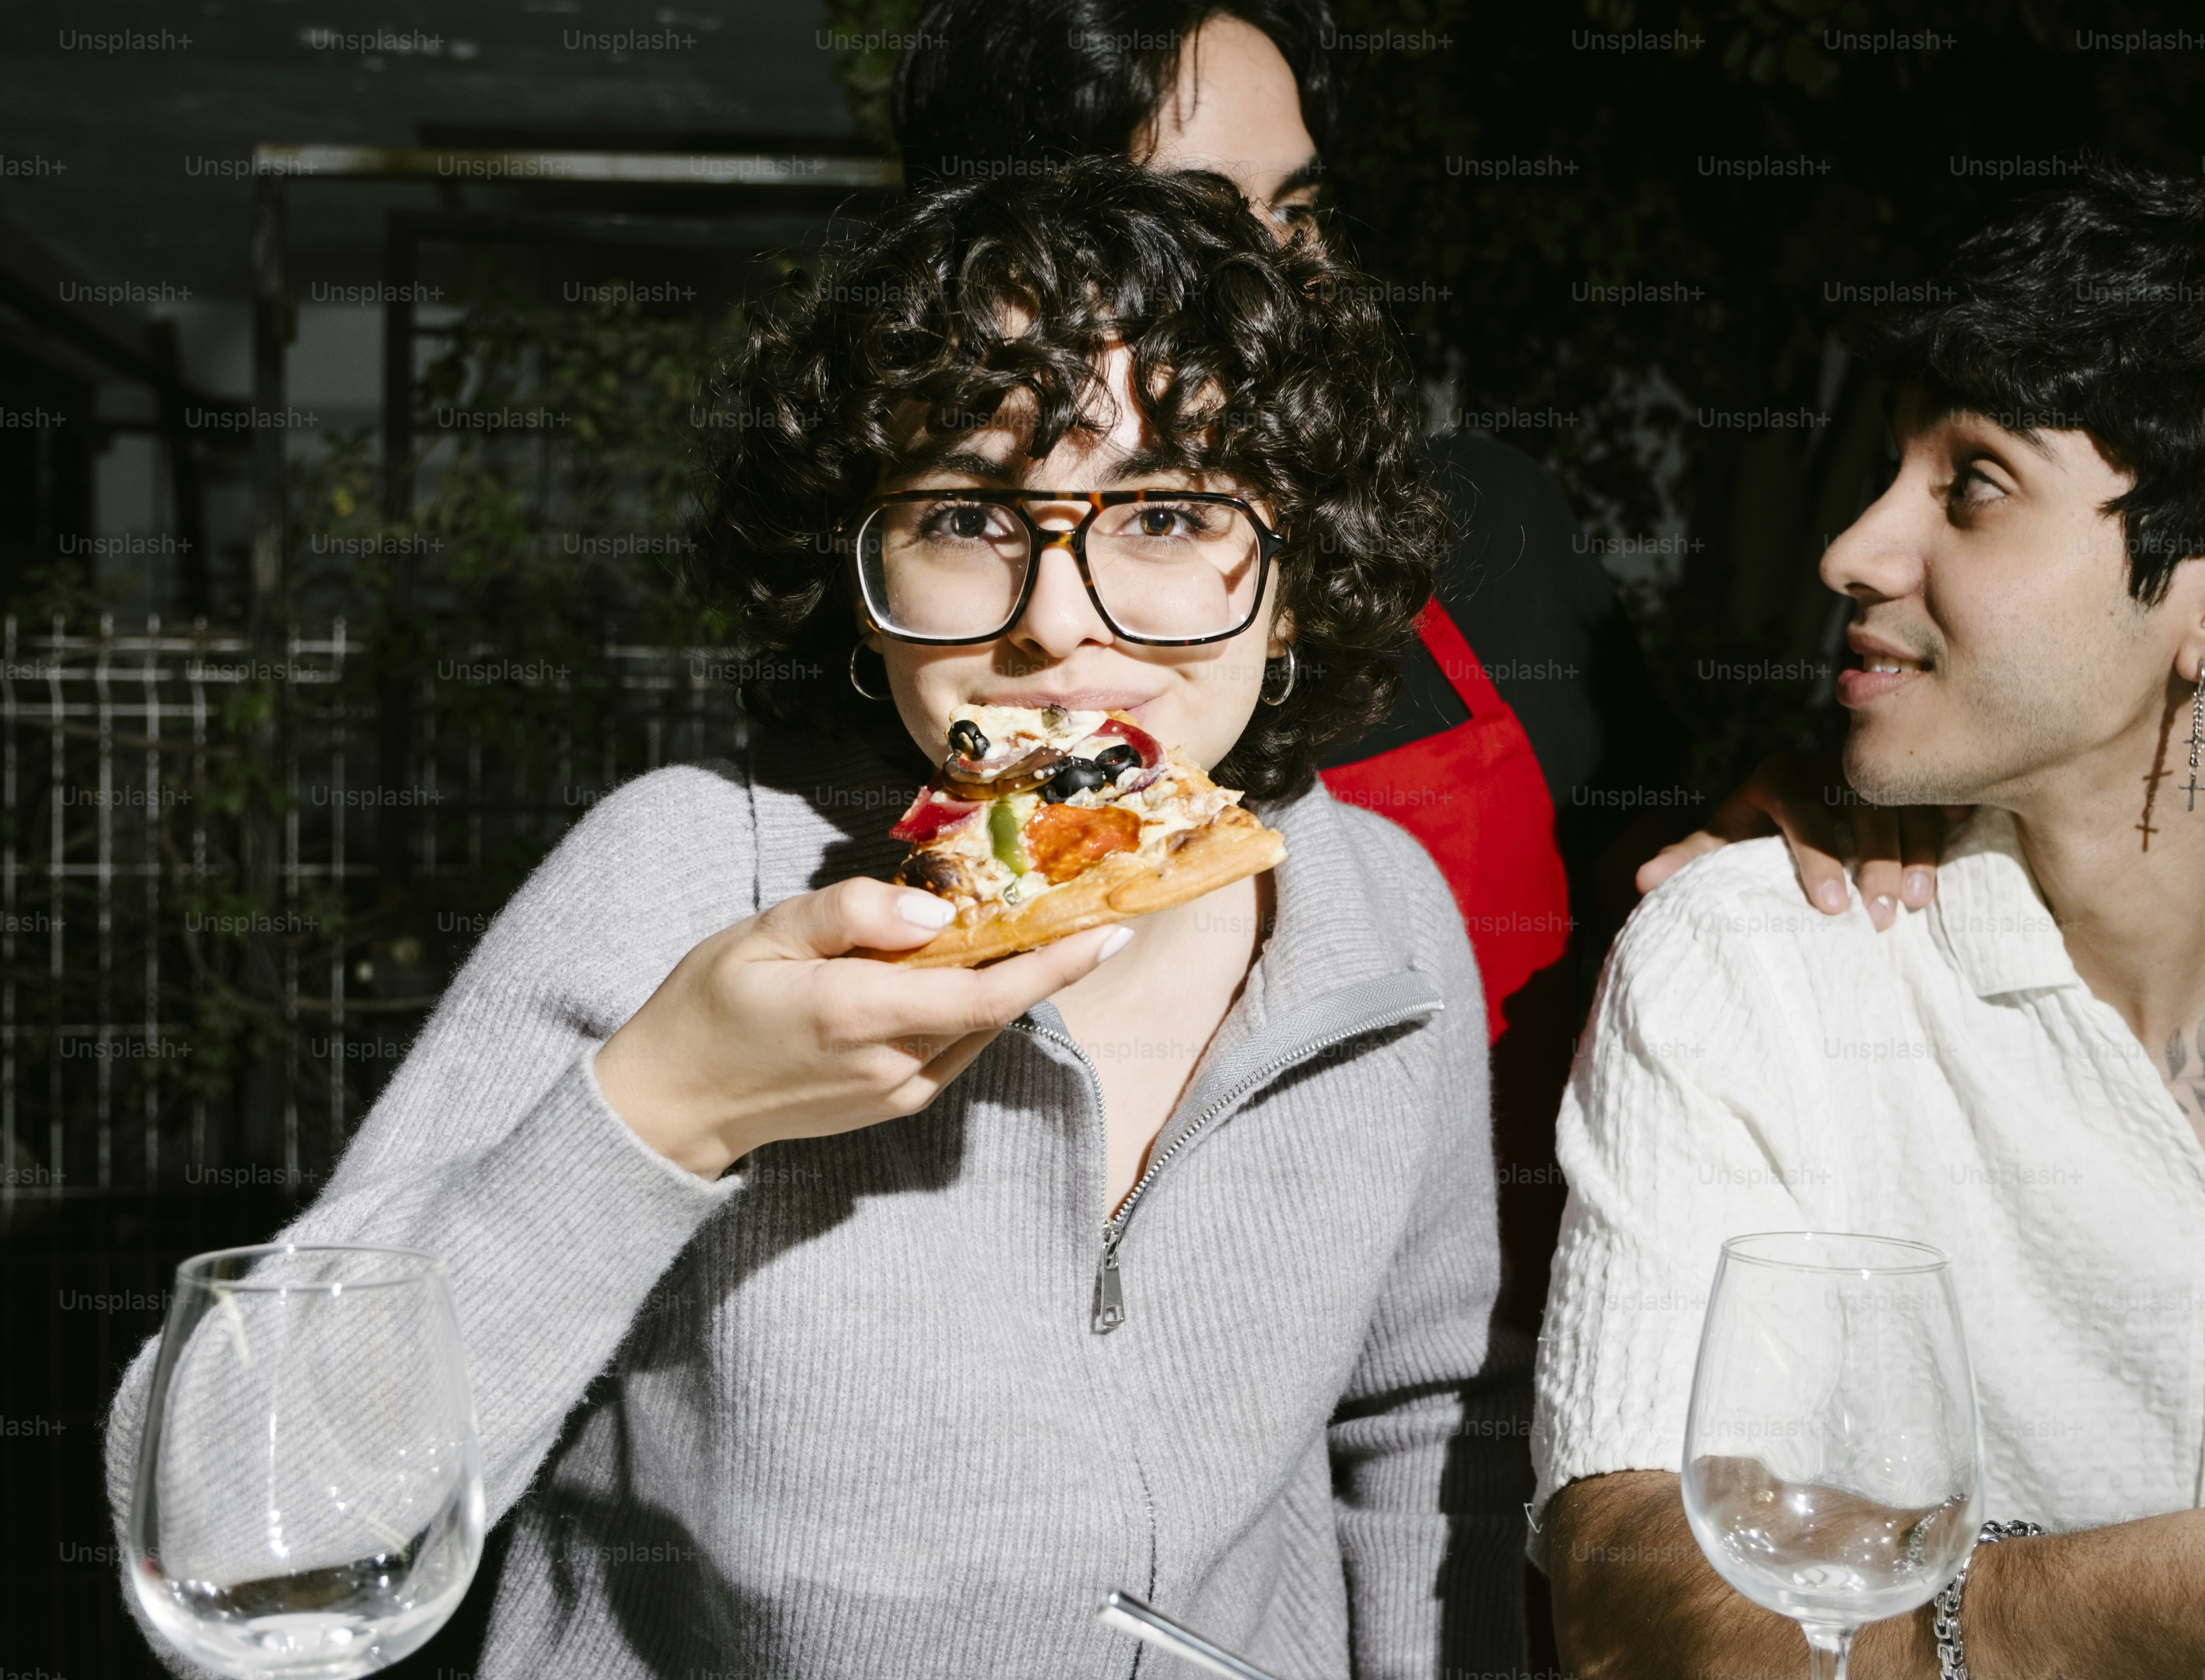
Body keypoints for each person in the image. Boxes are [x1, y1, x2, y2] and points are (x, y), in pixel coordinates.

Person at [110, 162, 1529, 1679]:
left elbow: (1423, 1431)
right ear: (863, 580)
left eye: (1169, 513)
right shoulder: (685, 878)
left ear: (1298, 577)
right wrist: (665, 1108)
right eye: (972, 513)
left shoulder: (1386, 923)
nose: (1057, 617)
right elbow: (226, 1528)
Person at [1533, 164, 2205, 1679]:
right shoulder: (1752, 959)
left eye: (1973, 486)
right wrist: (2174, 1607)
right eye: (1891, 469)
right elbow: (1628, 1599)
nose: (1853, 551)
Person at [890, 0, 1938, 1345]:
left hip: (1560, 1349)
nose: (1291, 280)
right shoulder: (969, 657)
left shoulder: (1492, 533)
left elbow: (1645, 859)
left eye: (1301, 217)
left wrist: (1773, 829)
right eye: (1205, 220)